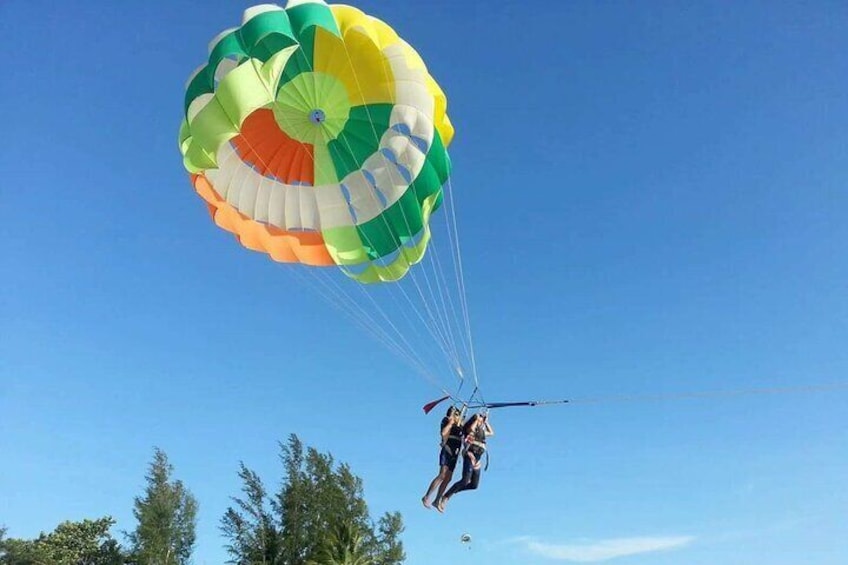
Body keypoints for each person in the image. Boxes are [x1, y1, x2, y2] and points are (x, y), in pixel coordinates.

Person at [436, 412, 494, 512]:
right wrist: (476, 419)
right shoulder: (469, 429)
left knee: (474, 485)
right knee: (465, 480)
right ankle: (446, 496)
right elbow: (471, 429)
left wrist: (486, 422)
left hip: (478, 459)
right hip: (470, 455)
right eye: (479, 421)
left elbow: (491, 433)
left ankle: (453, 491)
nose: (481, 422)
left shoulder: (481, 432)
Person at [422, 406, 463, 508]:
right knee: (442, 475)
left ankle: (437, 500)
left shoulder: (460, 425)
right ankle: (427, 496)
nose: (458, 417)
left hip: (455, 452)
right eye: (457, 415)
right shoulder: (446, 421)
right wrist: (451, 422)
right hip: (447, 449)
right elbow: (443, 433)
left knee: (448, 478)